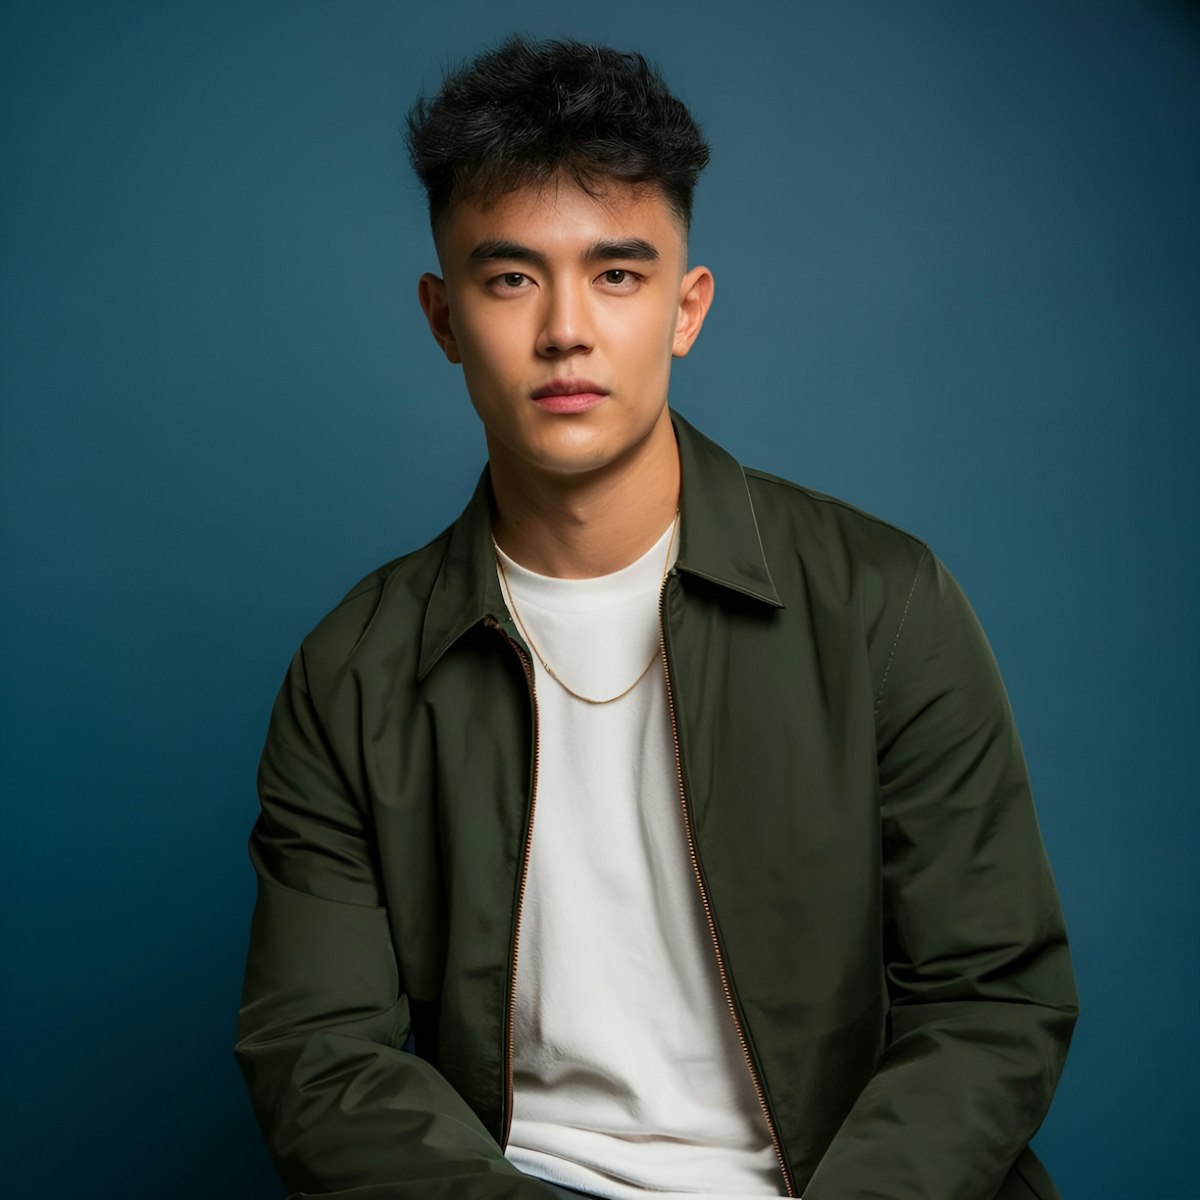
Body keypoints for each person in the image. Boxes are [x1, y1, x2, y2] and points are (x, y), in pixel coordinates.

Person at [236, 36, 1078, 1200]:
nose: (566, 330)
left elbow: (992, 1000)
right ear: (443, 317)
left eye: (618, 276)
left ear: (687, 308)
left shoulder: (881, 602)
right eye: (511, 278)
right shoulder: (353, 675)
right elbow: (320, 1060)